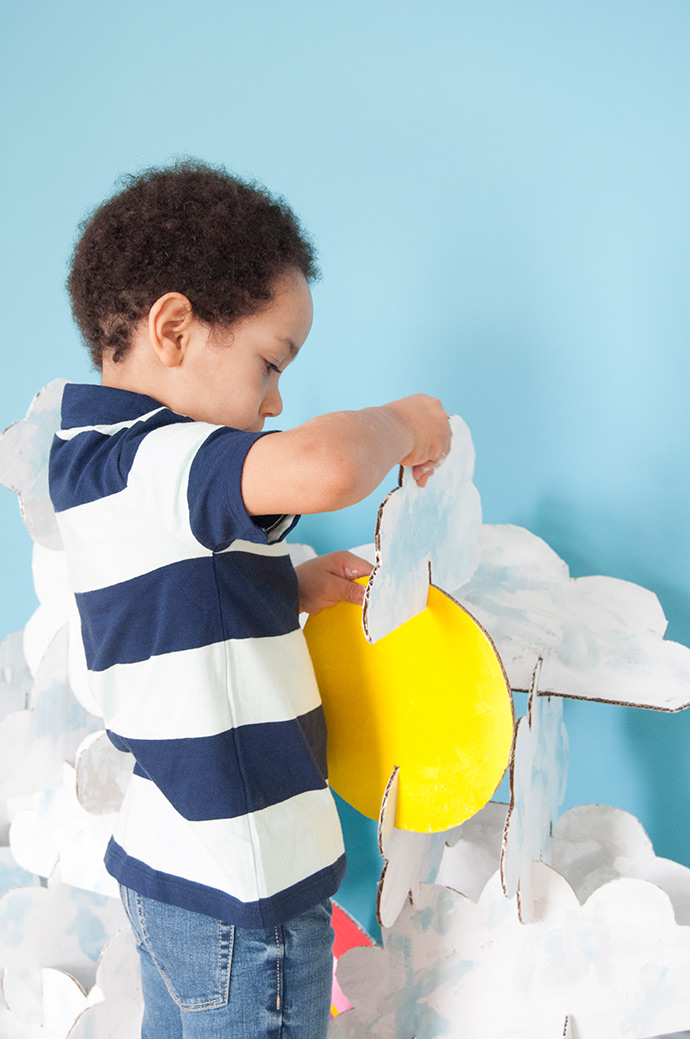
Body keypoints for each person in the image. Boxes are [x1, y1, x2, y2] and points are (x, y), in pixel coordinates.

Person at [49, 160, 450, 1039]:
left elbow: (169, 606)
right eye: (270, 363)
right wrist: (407, 420)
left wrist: (291, 585)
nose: (274, 402)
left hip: (169, 868)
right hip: (244, 894)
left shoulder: (100, 461)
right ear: (175, 327)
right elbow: (328, 465)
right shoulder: (165, 458)